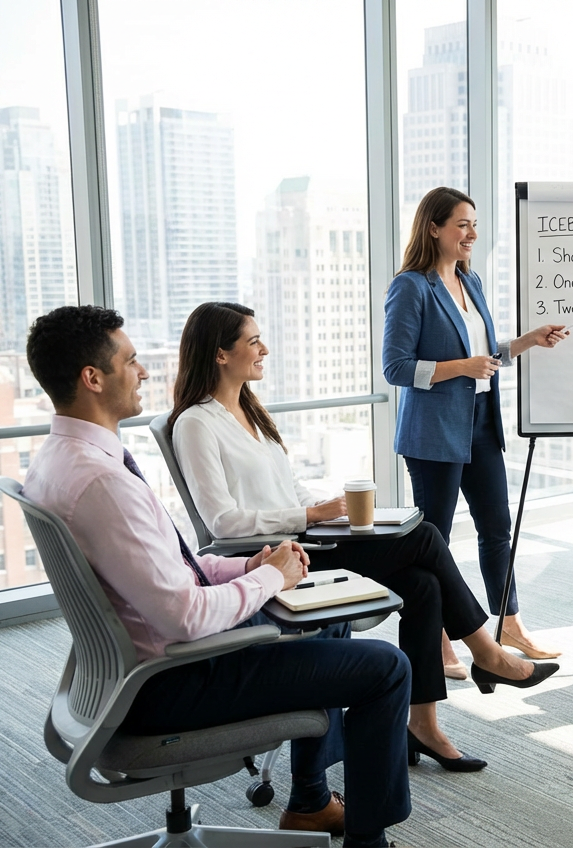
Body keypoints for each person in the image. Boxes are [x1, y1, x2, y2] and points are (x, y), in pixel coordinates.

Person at [22, 306, 409, 848]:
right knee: (387, 666)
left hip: (126, 673)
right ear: (92, 378)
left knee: (329, 619)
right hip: (173, 680)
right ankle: (367, 840)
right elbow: (183, 617)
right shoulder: (102, 481)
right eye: (131, 361)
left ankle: (311, 801)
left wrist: (249, 566)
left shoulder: (58, 460)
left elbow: (168, 568)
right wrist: (269, 581)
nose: (145, 372)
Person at [169, 301, 558, 772]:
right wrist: (309, 513)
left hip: (308, 539)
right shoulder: (195, 423)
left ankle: (424, 723)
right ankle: (486, 652)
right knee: (427, 536)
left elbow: (288, 488)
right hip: (272, 561)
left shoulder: (250, 411)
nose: (264, 349)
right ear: (219, 355)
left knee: (423, 583)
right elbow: (222, 522)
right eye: (253, 342)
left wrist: (328, 510)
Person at [383, 186, 568, 661]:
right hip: (432, 434)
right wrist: (460, 368)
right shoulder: (411, 286)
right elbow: (396, 368)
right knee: (436, 540)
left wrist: (528, 341)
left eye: (475, 224)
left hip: (481, 423)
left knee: (496, 528)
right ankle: (437, 635)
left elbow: (483, 356)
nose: (472, 233)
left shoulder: (473, 281)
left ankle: (510, 624)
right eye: (462, 224)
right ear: (434, 227)